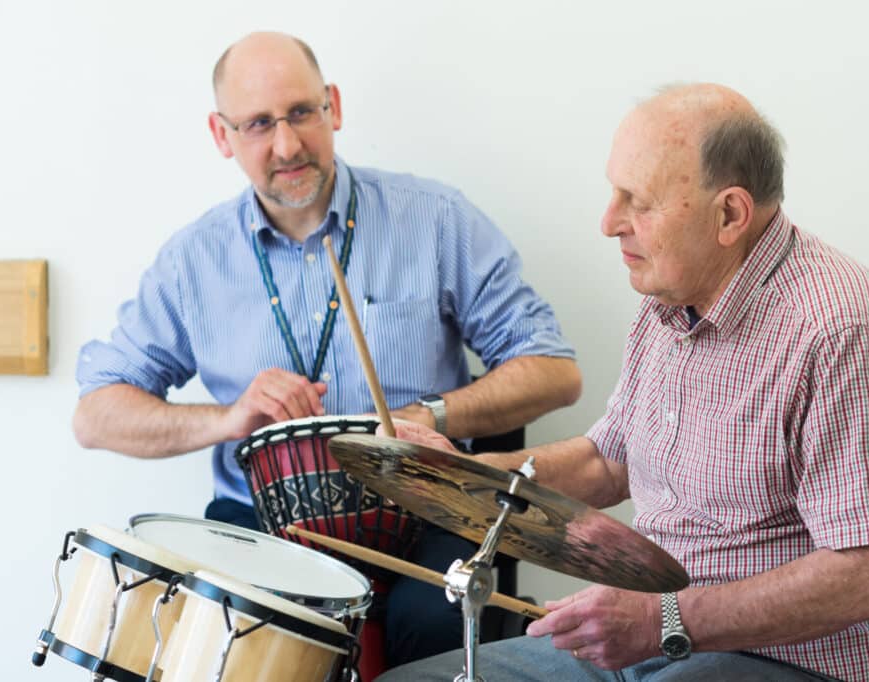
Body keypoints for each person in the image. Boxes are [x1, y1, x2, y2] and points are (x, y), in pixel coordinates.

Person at [378, 83, 869, 681]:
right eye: (612, 192)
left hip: (791, 659)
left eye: (638, 201)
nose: (608, 222)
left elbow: (868, 576)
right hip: (661, 636)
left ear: (729, 214)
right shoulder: (672, 294)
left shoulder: (843, 335)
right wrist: (464, 477)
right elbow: (608, 462)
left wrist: (663, 622)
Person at [72, 31, 581, 667]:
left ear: (333, 106)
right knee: (224, 636)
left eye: (301, 113)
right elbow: (96, 414)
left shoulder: (434, 220)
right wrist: (229, 420)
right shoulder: (194, 261)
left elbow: (555, 372)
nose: (287, 145)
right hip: (266, 519)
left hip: (425, 503)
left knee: (436, 625)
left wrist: (430, 417)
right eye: (259, 124)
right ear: (221, 134)